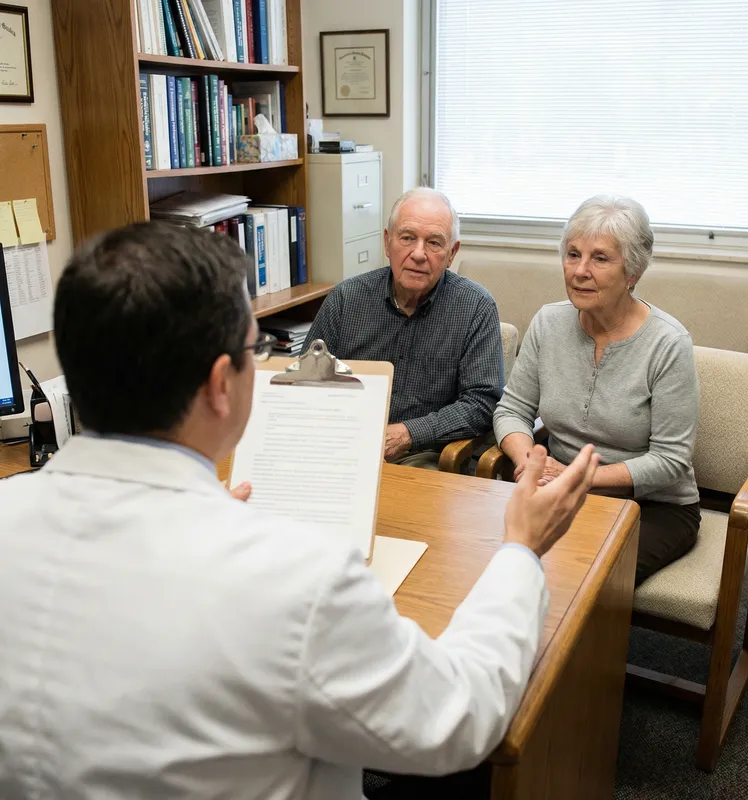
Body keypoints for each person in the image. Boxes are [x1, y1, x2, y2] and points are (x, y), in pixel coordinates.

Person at [0, 221, 600, 800]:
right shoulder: (297, 576)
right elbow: (463, 719)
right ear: (221, 384)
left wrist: (205, 512)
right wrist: (521, 549)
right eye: (253, 349)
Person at [494, 195, 701, 586]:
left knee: (580, 577)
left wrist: (576, 476)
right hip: (558, 487)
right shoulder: (549, 322)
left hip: (654, 506)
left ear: (632, 272)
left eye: (600, 258)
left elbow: (672, 460)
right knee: (501, 555)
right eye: (573, 255)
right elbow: (512, 410)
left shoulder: (668, 343)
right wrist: (531, 463)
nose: (580, 271)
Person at [304, 187, 503, 469]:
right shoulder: (346, 298)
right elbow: (304, 382)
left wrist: (411, 433)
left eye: (434, 243)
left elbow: (482, 403)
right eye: (407, 238)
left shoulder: (475, 307)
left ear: (452, 253)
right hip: (343, 444)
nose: (418, 254)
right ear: (387, 243)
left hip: (425, 454)